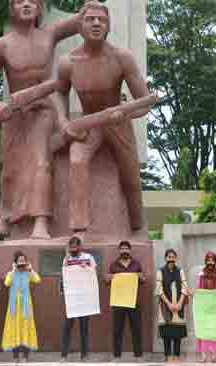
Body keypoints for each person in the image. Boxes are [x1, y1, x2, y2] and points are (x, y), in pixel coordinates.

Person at [0, 0, 87, 239]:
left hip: (44, 110)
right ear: (12, 8)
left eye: (33, 1)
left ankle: (40, 222)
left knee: (41, 162)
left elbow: (83, 19)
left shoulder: (51, 33)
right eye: (19, 1)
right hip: (14, 116)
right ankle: (6, 215)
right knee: (10, 170)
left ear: (40, 8)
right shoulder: (0, 45)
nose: (26, 4)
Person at [56, 1, 151, 235]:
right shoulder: (68, 62)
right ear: (80, 25)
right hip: (88, 123)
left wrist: (125, 111)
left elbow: (145, 102)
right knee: (76, 162)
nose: (97, 23)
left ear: (108, 27)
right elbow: (59, 92)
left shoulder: (122, 58)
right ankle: (78, 228)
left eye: (102, 20)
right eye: (90, 19)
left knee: (130, 172)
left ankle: (136, 222)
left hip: (118, 121)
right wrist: (64, 122)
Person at [107, 240, 146, 362]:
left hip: (133, 301)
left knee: (136, 328)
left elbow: (143, 280)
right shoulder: (113, 265)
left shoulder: (136, 264)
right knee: (117, 329)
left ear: (130, 250)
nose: (124, 250)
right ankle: (117, 356)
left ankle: (138, 356)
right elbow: (107, 281)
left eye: (126, 248)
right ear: (119, 250)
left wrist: (142, 277)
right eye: (122, 248)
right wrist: (108, 278)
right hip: (118, 302)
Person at [60, 236, 97, 362]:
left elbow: (93, 273)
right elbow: (64, 273)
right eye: (71, 247)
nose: (73, 249)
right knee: (67, 327)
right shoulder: (67, 258)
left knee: (84, 327)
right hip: (72, 299)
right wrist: (66, 256)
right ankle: (64, 355)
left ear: (80, 246)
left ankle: (85, 355)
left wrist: (85, 267)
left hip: (85, 298)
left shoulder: (88, 257)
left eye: (75, 246)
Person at [2, 251, 41, 362]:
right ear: (15, 262)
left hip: (25, 306)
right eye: (19, 261)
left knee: (26, 328)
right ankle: (15, 356)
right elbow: (7, 283)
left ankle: (25, 356)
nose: (22, 262)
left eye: (23, 260)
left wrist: (30, 269)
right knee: (14, 328)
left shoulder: (28, 273)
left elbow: (37, 279)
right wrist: (13, 270)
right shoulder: (12, 273)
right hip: (14, 307)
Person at [156, 249, 189, 363]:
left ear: (176, 258)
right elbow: (159, 289)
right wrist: (169, 304)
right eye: (169, 257)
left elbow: (185, 287)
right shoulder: (160, 271)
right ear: (165, 258)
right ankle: (167, 356)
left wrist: (180, 303)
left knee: (177, 333)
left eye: (173, 257)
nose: (171, 259)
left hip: (178, 305)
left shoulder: (180, 271)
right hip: (166, 305)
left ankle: (176, 356)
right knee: (167, 332)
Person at [195, 251, 216, 363]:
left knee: (215, 329)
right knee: (203, 328)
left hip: (215, 306)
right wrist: (195, 294)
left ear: (215, 261)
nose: (210, 262)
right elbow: (198, 288)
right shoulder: (201, 274)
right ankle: (203, 355)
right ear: (205, 260)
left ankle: (215, 355)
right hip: (204, 306)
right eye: (208, 259)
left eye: (212, 259)